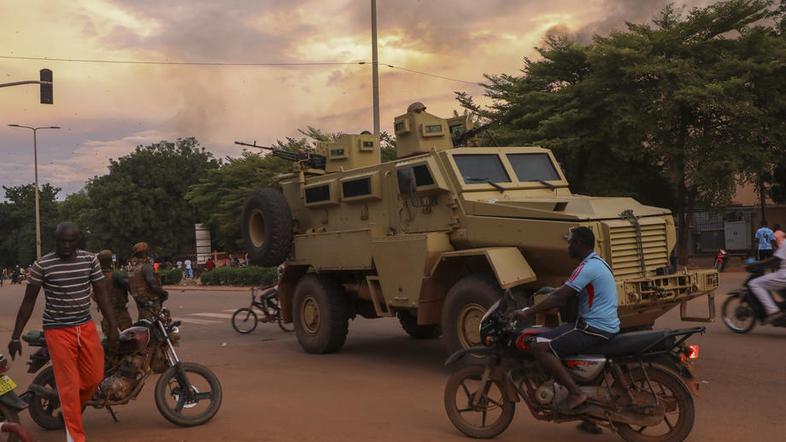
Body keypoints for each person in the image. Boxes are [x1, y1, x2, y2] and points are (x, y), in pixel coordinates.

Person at [6, 222, 118, 442]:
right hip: (57, 330)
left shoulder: (90, 260)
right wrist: (15, 336)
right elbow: (28, 302)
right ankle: (75, 436)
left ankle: (71, 407)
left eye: (71, 241)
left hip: (85, 327)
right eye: (62, 241)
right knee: (69, 385)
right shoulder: (42, 264)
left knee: (95, 377)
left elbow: (102, 294)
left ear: (78, 241)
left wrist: (112, 325)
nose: (66, 246)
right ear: (55, 240)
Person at [511, 226, 620, 413]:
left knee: (539, 346)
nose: (568, 247)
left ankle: (575, 393)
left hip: (592, 327)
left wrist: (527, 312)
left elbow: (560, 298)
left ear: (579, 244)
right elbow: (566, 292)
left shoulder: (587, 268)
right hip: (602, 325)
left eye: (570, 243)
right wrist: (552, 292)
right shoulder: (598, 263)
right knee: (549, 335)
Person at [748, 230, 786, 323]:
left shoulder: (784, 244)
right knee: (769, 278)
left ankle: (773, 311)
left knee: (754, 283)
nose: (774, 241)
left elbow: (774, 260)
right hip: (769, 251)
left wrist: (757, 264)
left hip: (783, 274)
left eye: (774, 240)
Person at [128, 242, 169, 321]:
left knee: (144, 321)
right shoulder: (146, 267)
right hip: (150, 301)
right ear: (145, 253)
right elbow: (153, 285)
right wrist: (163, 293)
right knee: (155, 322)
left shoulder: (133, 269)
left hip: (140, 301)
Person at [96, 250, 133, 334]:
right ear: (110, 261)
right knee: (128, 337)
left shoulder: (97, 277)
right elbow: (129, 286)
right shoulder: (116, 275)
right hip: (120, 314)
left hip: (106, 315)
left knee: (110, 339)